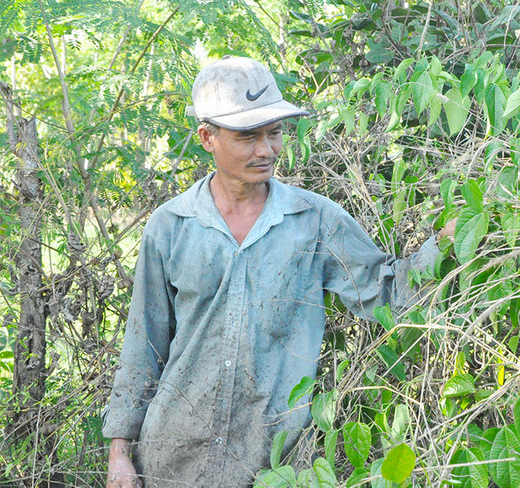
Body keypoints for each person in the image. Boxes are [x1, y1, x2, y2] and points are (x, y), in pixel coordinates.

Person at [103, 56, 454, 487]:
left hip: (273, 463)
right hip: (173, 458)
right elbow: (144, 346)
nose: (266, 149)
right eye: (248, 136)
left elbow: (386, 295)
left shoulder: (314, 219)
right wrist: (120, 453)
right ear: (207, 137)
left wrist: (450, 241)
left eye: (275, 133)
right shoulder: (171, 225)